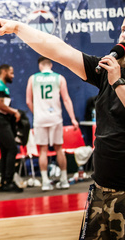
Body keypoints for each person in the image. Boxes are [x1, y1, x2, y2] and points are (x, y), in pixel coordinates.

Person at [0, 4, 125, 240]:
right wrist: (18, 27)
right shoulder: (109, 71)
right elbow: (59, 50)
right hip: (100, 191)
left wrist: (118, 82)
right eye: (123, 29)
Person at [26, 56, 79, 191]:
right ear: (51, 65)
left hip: (40, 119)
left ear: (40, 66)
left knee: (43, 150)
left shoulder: (33, 78)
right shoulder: (59, 78)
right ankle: (64, 179)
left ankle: (45, 182)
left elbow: (28, 101)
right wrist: (73, 118)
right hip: (55, 117)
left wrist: (36, 113)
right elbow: (66, 99)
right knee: (59, 149)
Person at [0, 64, 23, 192]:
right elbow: (0, 105)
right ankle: (8, 180)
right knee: (12, 149)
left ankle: (3, 182)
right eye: (11, 73)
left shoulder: (2, 86)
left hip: (1, 121)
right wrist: (15, 112)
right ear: (4, 72)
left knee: (5, 151)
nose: (13, 76)